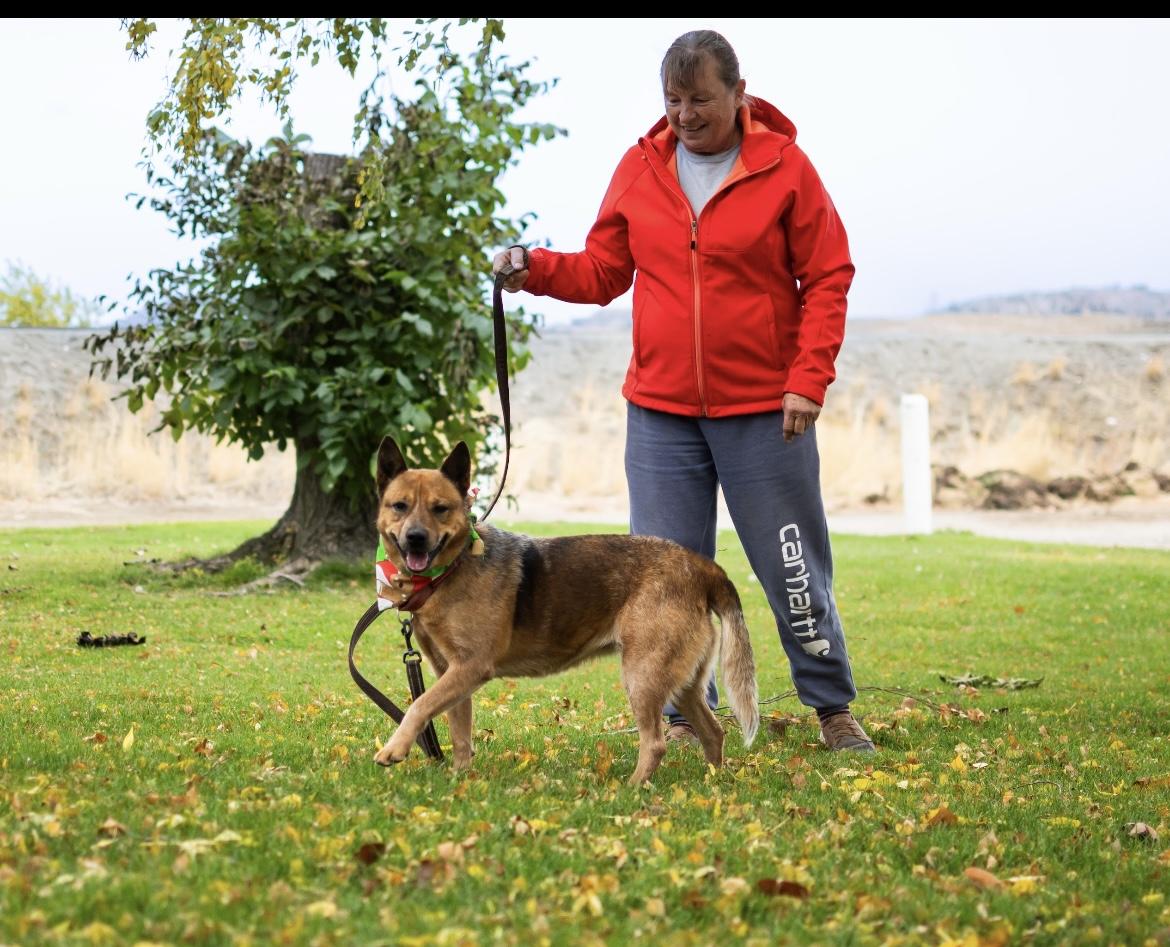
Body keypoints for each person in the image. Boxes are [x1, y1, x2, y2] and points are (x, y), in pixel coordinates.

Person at [491, 29, 874, 752]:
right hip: (662, 414)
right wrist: (531, 268)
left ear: (739, 92)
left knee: (792, 567)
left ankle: (832, 707)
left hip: (767, 411)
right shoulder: (640, 169)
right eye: (673, 101)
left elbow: (828, 277)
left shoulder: (786, 169)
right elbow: (604, 271)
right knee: (663, 580)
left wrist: (807, 379)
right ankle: (680, 713)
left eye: (700, 99)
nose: (686, 115)